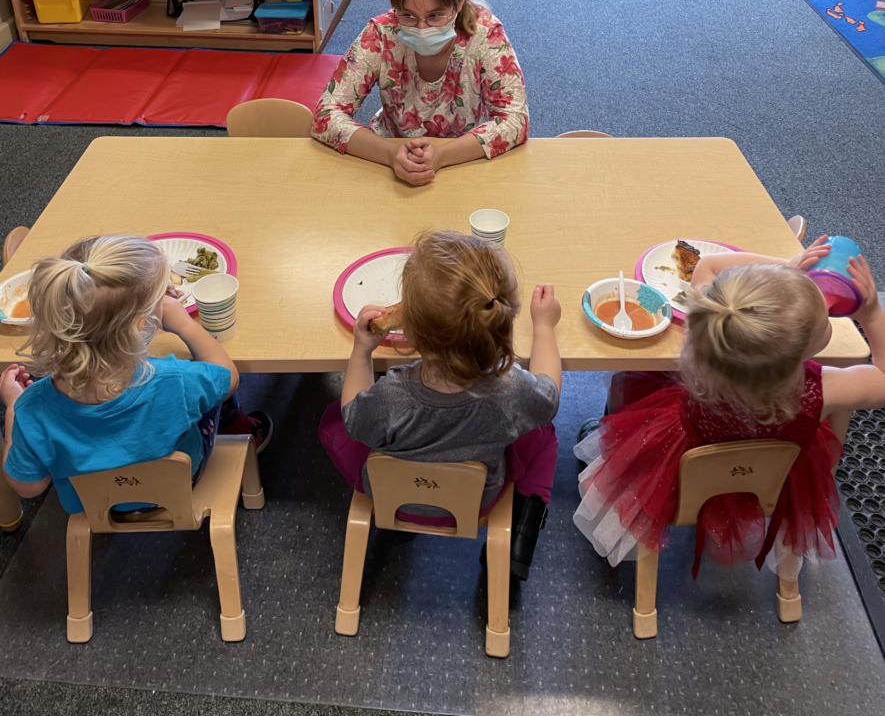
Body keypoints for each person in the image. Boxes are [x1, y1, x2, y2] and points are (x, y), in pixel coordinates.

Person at [573, 238, 885, 580]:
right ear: (796, 355)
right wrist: (871, 314)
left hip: (686, 464)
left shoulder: (710, 328)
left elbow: (708, 266)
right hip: (773, 478)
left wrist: (783, 266)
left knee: (627, 385)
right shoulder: (825, 388)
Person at [319, 230, 561, 580]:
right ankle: (522, 534)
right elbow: (549, 395)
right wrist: (544, 328)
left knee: (335, 420)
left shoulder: (390, 396)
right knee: (547, 434)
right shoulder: (512, 391)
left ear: (411, 334)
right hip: (478, 499)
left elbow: (353, 417)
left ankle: (397, 524)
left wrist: (361, 350)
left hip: (391, 496)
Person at [1, 235, 271, 515]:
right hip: (179, 486)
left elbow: (29, 487)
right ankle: (247, 430)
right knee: (212, 389)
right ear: (142, 323)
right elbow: (229, 377)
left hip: (95, 507)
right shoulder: (175, 379)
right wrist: (183, 325)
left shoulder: (31, 409)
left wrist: (13, 410)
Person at [311, 0, 529, 186]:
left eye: (435, 16)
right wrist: (390, 154)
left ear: (458, 3)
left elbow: (515, 120)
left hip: (465, 155)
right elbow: (326, 115)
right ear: (396, 8)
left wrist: (443, 155)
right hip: (390, 156)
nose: (422, 29)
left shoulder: (485, 34)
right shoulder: (382, 33)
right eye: (408, 16)